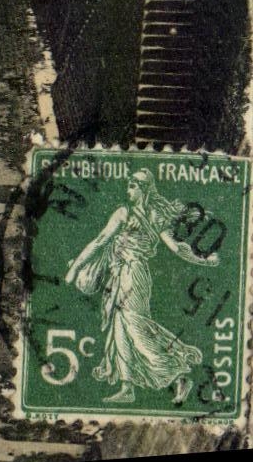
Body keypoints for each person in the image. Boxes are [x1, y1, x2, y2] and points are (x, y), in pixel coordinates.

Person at [64, 169, 214, 405]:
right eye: (128, 185)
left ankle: (178, 373)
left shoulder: (135, 215)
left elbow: (175, 248)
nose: (128, 190)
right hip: (121, 274)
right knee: (120, 329)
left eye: (133, 186)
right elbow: (102, 240)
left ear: (144, 189)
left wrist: (203, 259)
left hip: (133, 275)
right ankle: (127, 387)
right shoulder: (144, 215)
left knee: (135, 328)